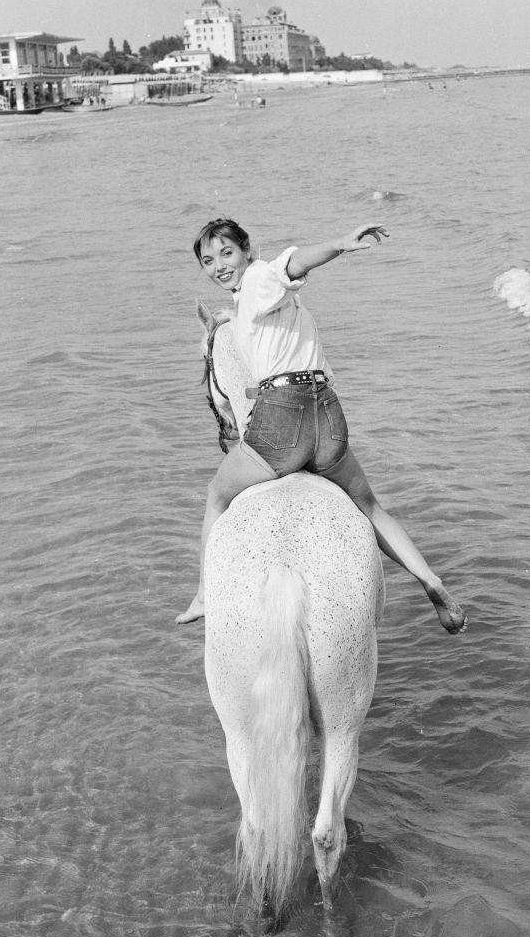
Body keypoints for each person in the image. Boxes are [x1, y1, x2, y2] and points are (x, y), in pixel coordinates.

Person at [176, 218, 466, 635]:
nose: (219, 266)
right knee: (368, 506)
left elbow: (291, 265)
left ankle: (204, 596)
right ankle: (430, 581)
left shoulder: (258, 278)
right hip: (327, 415)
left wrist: (339, 245)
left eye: (227, 253)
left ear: (246, 250)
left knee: (216, 496)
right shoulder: (269, 310)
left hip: (284, 418)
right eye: (208, 260)